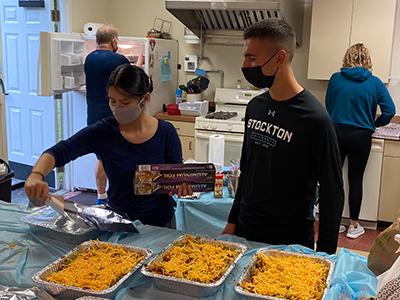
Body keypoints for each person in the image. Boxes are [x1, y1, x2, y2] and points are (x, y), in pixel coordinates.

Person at [221, 19, 344, 255]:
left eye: (252, 58)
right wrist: (233, 220)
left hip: (290, 240)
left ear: (279, 58)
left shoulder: (315, 119)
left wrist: (327, 254)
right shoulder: (255, 107)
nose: (245, 65)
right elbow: (246, 168)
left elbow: (332, 192)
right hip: (246, 230)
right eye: (245, 57)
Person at [25, 64, 182, 228]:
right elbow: (59, 151)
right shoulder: (103, 132)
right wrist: (36, 174)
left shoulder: (166, 132)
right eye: (112, 101)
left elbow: (176, 175)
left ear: (145, 99)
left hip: (161, 224)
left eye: (125, 102)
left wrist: (181, 188)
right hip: (119, 222)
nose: (117, 108)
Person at [325, 43, 396, 239]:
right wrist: (374, 124)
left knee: (334, 180)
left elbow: (328, 107)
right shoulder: (375, 82)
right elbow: (390, 111)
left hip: (336, 133)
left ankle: (335, 222)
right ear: (368, 60)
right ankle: (354, 226)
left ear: (347, 58)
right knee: (355, 180)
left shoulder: (335, 79)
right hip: (361, 136)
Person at [84, 24, 143, 205]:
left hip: (93, 115)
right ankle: (114, 200)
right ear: (113, 41)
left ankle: (101, 197)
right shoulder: (116, 59)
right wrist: (140, 60)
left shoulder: (89, 58)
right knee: (114, 158)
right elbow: (134, 74)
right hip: (114, 115)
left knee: (102, 157)